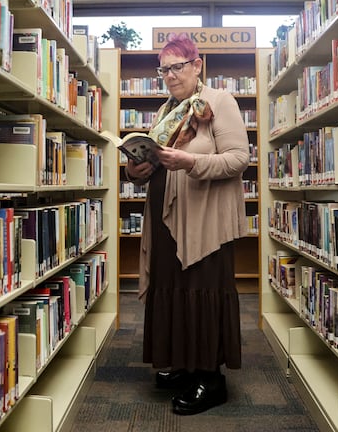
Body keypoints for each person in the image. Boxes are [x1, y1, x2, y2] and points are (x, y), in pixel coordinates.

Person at [125, 33, 249, 415]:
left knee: (201, 289)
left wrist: (191, 163)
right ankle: (183, 365)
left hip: (203, 221)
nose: (170, 76)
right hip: (165, 217)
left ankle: (210, 379)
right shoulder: (165, 112)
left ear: (197, 66)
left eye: (177, 67)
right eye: (163, 69)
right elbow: (150, 164)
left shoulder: (219, 102)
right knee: (172, 287)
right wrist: (136, 170)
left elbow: (238, 159)